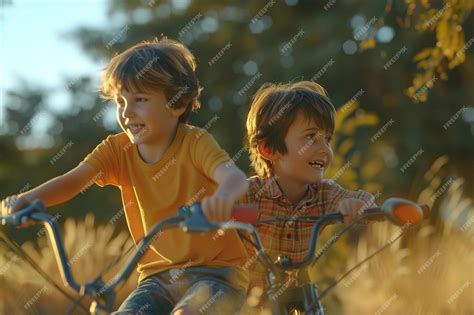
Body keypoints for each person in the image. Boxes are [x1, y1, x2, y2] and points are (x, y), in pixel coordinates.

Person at [1, 37, 250, 314]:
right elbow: (73, 180)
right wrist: (27, 200)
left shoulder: (194, 142)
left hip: (216, 275)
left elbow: (235, 179)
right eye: (120, 101)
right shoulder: (116, 149)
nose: (126, 112)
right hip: (156, 278)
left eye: (140, 99)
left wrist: (221, 199)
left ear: (177, 104)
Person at [240, 81, 375, 289]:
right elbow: (214, 206)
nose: (325, 150)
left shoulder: (323, 195)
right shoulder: (248, 194)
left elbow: (359, 199)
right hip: (247, 300)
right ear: (268, 149)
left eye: (327, 139)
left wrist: (357, 206)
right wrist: (214, 213)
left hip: (296, 296)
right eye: (311, 137)